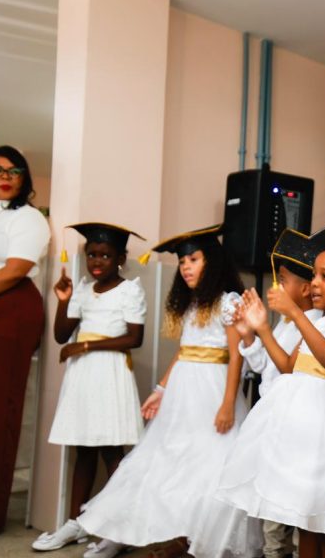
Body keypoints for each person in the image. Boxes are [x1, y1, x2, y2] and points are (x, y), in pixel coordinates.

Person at [77, 225, 252, 558]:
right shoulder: (190, 303)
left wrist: (228, 403)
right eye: (183, 261)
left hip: (213, 391)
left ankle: (194, 541)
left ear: (211, 262)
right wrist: (160, 389)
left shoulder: (228, 302)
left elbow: (236, 357)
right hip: (183, 391)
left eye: (194, 259)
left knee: (207, 464)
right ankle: (122, 531)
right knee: (161, 459)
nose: (186, 266)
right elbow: (185, 352)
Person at [216, 220, 325, 558]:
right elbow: (288, 366)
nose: (315, 284)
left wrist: (295, 311)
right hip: (301, 430)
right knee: (305, 520)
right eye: (315, 276)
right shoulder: (319, 321)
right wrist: (263, 328)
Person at [32, 224, 147, 552]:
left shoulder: (129, 290)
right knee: (84, 449)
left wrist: (84, 347)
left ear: (120, 258)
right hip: (83, 377)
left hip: (109, 373)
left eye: (106, 255)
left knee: (112, 451)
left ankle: (117, 529)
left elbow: (134, 338)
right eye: (92, 255)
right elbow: (59, 335)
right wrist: (64, 300)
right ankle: (75, 523)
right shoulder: (82, 289)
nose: (97, 261)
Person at [0, 145, 50, 535]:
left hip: (6, 308)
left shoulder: (29, 218)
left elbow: (16, 268)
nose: (5, 176)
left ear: (24, 180)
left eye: (14, 171)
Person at [232, 228, 322, 558]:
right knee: (269, 506)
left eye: (282, 280)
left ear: (306, 288)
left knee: (291, 507)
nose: (275, 287)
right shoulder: (286, 324)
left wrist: (263, 329)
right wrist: (248, 336)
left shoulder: (312, 324)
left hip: (295, 427)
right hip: (273, 421)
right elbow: (265, 368)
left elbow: (289, 368)